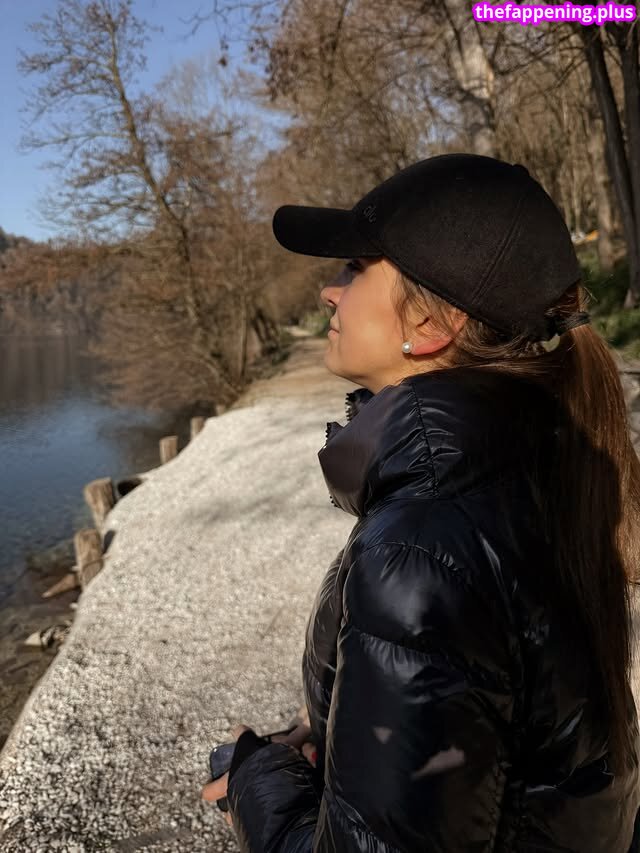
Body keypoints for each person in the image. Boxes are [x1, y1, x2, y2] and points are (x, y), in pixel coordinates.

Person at [201, 153, 640, 851]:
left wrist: (257, 778)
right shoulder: (543, 466)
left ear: (431, 324)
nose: (329, 291)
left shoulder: (422, 549)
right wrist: (340, 733)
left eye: (355, 268)